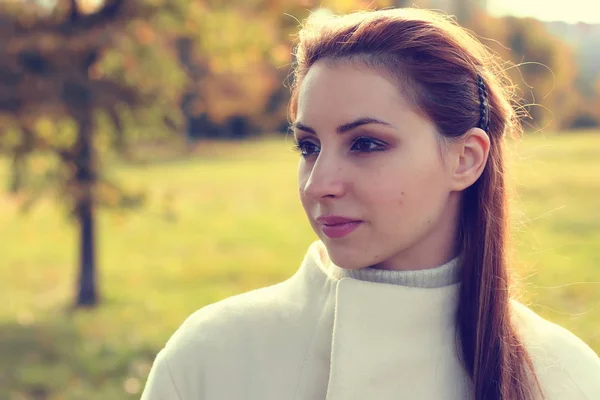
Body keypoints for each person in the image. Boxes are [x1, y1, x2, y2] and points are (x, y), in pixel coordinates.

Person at [140, 8, 600, 400]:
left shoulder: (562, 376)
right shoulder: (209, 359)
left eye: (366, 144)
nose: (319, 184)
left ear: (465, 158)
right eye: (308, 147)